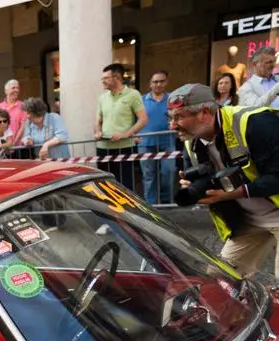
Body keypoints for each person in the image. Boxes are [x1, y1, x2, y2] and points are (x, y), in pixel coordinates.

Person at [170, 83, 279, 278]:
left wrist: (231, 194)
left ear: (204, 112)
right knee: (219, 282)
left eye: (179, 117)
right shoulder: (191, 142)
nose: (172, 125)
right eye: (171, 118)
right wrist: (195, 187)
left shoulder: (257, 123)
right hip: (249, 222)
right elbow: (210, 180)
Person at [95, 63, 148, 191]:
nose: (102, 81)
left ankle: (127, 210)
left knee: (125, 185)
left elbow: (143, 119)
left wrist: (125, 135)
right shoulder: (102, 98)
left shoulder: (133, 94)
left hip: (124, 147)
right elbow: (98, 119)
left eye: (105, 78)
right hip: (103, 148)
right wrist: (97, 131)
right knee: (106, 185)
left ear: (116, 78)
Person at [137, 70, 176, 204]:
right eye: (155, 82)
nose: (158, 84)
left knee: (168, 173)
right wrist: (134, 135)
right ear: (150, 84)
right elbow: (133, 119)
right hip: (145, 143)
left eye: (161, 81)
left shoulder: (172, 99)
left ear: (166, 82)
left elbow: (178, 117)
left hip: (167, 142)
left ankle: (166, 202)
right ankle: (151, 204)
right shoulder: (141, 100)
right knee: (149, 176)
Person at [0, 80, 29, 159]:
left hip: (18, 148)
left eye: (17, 88)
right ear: (6, 91)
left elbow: (22, 127)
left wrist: (13, 144)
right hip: (2, 148)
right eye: (13, 88)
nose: (16, 90)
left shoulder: (23, 106)